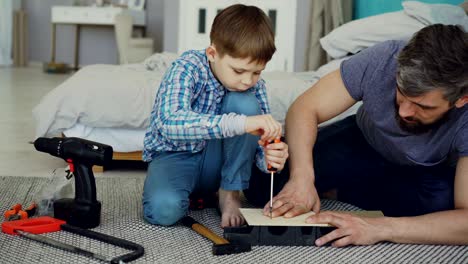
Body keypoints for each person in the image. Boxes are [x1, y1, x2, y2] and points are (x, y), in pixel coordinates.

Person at [245, 24, 468, 246]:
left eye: (422, 106)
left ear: (461, 99)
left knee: (442, 209)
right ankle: (342, 187)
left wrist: (381, 229)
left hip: (425, 169)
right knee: (262, 183)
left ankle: (341, 190)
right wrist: (302, 177)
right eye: (401, 92)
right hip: (365, 140)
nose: (403, 112)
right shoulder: (384, 58)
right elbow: (305, 108)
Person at [142, 4, 289, 228]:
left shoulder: (254, 87)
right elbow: (168, 122)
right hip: (175, 156)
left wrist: (271, 158)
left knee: (245, 102)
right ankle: (187, 192)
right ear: (212, 53)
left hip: (220, 161)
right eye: (238, 71)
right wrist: (240, 124)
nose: (248, 80)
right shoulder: (187, 67)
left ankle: (229, 194)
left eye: (257, 72)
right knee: (164, 211)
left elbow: (257, 150)